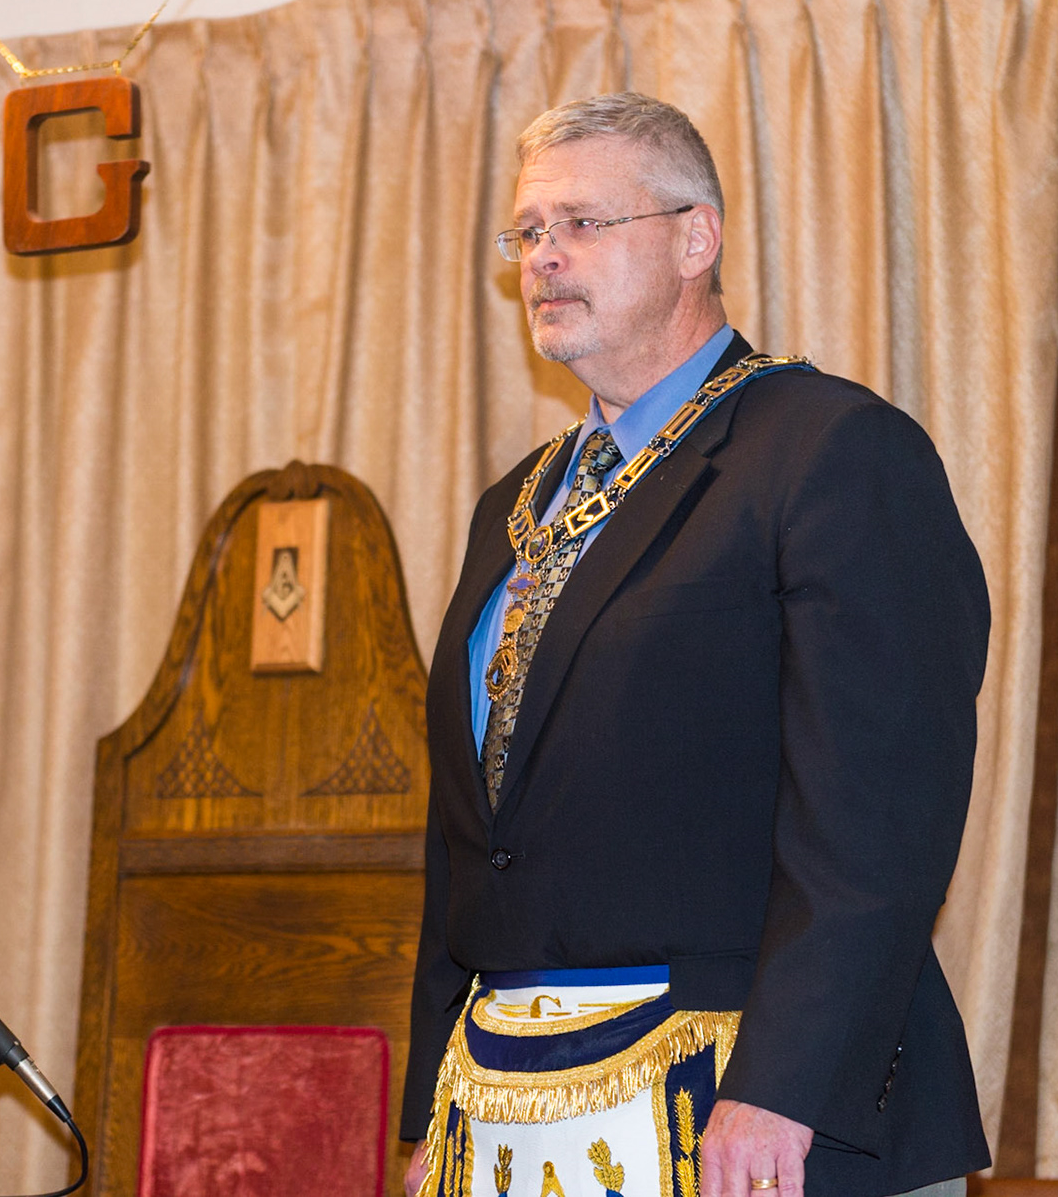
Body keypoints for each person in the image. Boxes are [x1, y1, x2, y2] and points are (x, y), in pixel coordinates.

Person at [402, 93, 991, 1197]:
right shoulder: (512, 504)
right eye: (527, 232)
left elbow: (878, 815)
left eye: (582, 224)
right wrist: (438, 1087)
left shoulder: (830, 451)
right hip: (510, 1102)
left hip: (753, 1111)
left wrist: (785, 1086)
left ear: (694, 238)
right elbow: (467, 834)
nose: (544, 258)